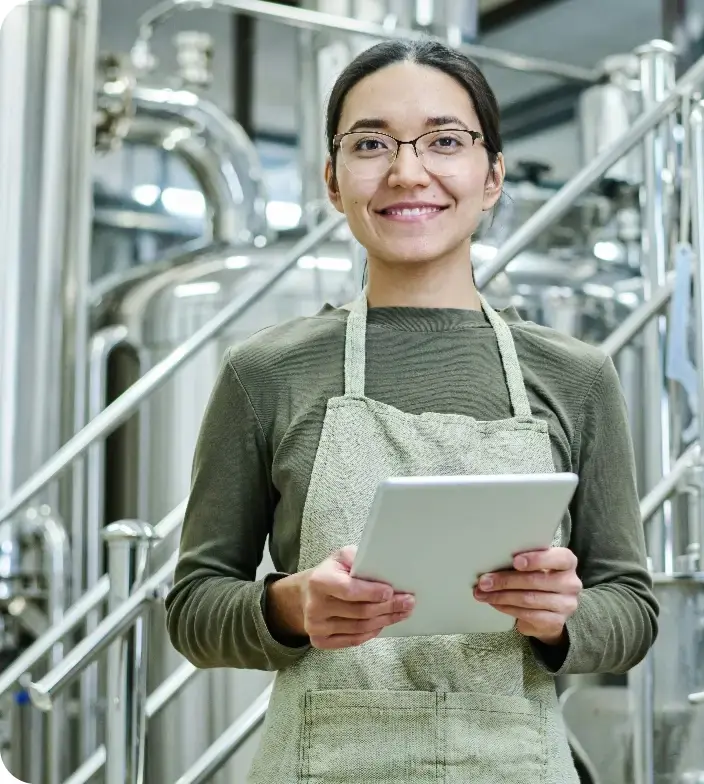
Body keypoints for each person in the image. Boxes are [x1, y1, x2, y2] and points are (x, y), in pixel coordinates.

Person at [165, 38, 658, 784]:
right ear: (333, 181)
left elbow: (632, 610)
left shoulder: (576, 376)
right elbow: (193, 608)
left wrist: (562, 617)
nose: (407, 172)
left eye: (444, 142)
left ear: (491, 176)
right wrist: (289, 606)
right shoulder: (264, 372)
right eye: (371, 144)